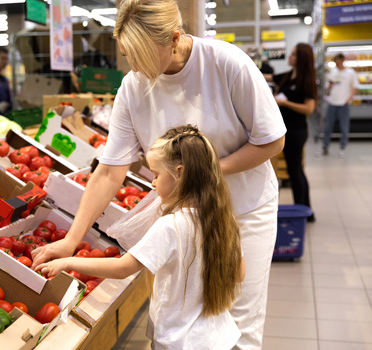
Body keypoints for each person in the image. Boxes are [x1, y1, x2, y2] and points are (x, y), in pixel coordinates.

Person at [32, 0, 286, 348]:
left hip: (242, 211)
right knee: (181, 319)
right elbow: (109, 172)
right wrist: (72, 239)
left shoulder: (227, 64)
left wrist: (205, 172)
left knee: (237, 324)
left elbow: (271, 140)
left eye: (141, 56)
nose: (134, 67)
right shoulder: (133, 86)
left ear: (175, 39)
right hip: (183, 221)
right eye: (127, 55)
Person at [36, 125, 245, 349]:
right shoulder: (223, 218)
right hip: (216, 337)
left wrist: (68, 261)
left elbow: (123, 268)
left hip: (180, 340)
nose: (153, 183)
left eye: (156, 175)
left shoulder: (171, 225)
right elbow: (239, 274)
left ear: (180, 173)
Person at [273, 43, 317, 222]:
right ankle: (306, 210)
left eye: (293, 54)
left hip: (297, 131)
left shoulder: (306, 81)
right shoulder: (287, 77)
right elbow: (267, 76)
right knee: (294, 170)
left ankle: (304, 210)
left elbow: (309, 108)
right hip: (285, 130)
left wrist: (285, 103)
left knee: (295, 170)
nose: (289, 57)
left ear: (301, 59)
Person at [319, 53, 359, 158]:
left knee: (344, 127)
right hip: (332, 103)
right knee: (327, 127)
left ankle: (342, 148)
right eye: (335, 62)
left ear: (342, 60)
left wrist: (348, 99)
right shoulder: (333, 72)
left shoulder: (350, 73)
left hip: (343, 104)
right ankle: (325, 147)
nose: (337, 64)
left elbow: (355, 87)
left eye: (338, 62)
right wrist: (330, 84)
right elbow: (328, 87)